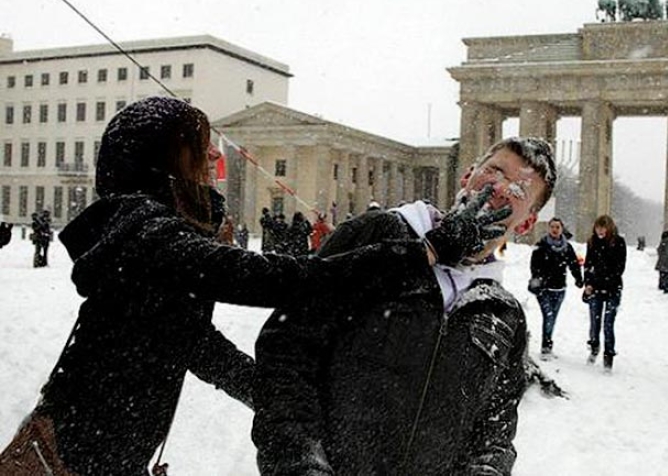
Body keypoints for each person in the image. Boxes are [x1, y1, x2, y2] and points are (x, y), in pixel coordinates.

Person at [0, 97, 487, 476]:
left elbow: (193, 342)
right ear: (164, 158)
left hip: (104, 447)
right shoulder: (147, 236)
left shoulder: (143, 233)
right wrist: (422, 252)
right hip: (82, 451)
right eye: (199, 145)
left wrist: (273, 397)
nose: (215, 154)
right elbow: (284, 281)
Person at [253, 136, 557, 476]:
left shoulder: (504, 314)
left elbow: (495, 429)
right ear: (467, 176)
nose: (498, 187)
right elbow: (287, 350)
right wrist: (298, 461)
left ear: (527, 223)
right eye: (494, 170)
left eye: (517, 188)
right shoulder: (378, 233)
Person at [528, 217, 583, 359]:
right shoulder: (541, 245)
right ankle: (545, 348)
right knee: (548, 316)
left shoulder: (567, 247)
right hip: (544, 289)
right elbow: (534, 265)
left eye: (557, 227)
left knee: (552, 318)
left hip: (559, 289)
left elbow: (573, 264)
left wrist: (578, 278)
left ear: (561, 229)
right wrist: (537, 279)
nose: (555, 229)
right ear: (549, 228)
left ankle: (547, 345)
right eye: (552, 226)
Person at [582, 214, 627, 372]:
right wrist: (588, 283)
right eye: (598, 227)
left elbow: (620, 267)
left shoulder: (619, 242)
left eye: (603, 227)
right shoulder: (592, 242)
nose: (600, 231)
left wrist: (607, 280)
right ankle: (594, 346)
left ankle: (609, 355)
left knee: (608, 323)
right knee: (595, 322)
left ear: (609, 228)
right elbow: (588, 264)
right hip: (595, 288)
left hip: (613, 288)